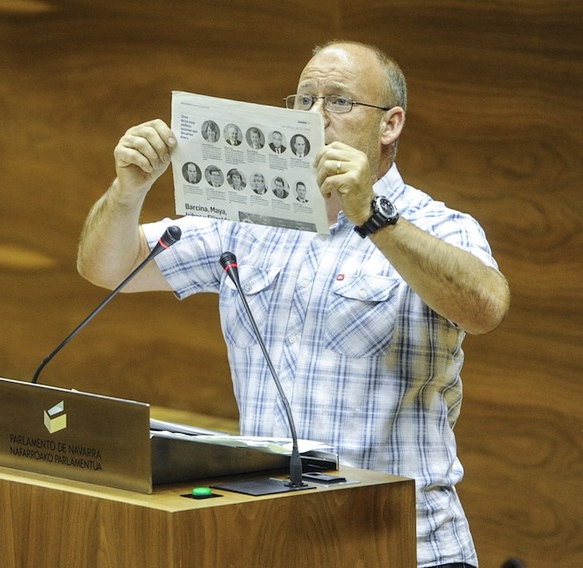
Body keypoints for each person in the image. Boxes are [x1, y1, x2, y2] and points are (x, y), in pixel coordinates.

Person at [77, 41, 510, 568]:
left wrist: (372, 216)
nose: (313, 118)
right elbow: (106, 267)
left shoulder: (439, 224)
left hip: (407, 546)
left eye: (338, 102)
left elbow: (486, 307)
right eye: (303, 101)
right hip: (275, 542)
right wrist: (128, 191)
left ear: (390, 124)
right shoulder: (249, 219)